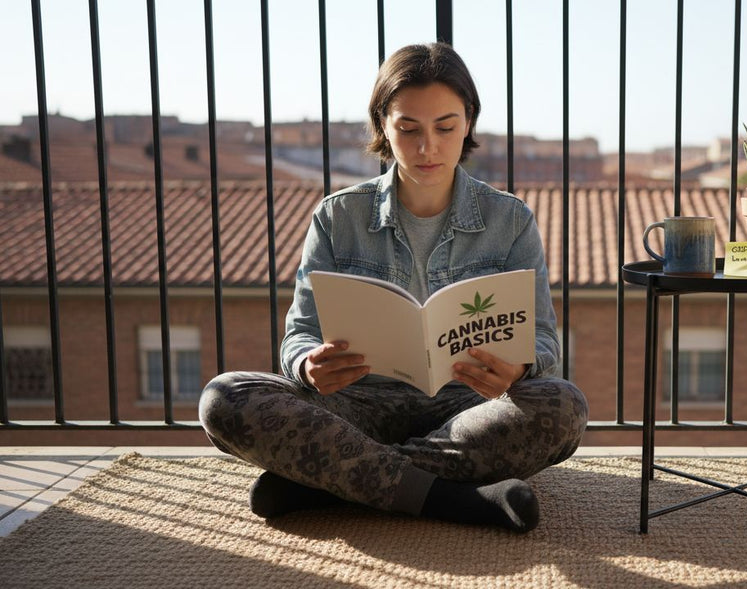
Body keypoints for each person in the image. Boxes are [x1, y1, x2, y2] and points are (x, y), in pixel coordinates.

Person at [199, 42, 588, 534]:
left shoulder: (509, 220)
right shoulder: (338, 216)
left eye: (445, 127)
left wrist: (520, 367)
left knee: (562, 406)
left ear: (468, 121)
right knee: (224, 398)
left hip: (465, 407)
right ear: (382, 123)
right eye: (408, 128)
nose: (427, 147)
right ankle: (453, 500)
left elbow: (545, 341)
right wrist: (308, 365)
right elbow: (299, 335)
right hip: (355, 405)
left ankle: (326, 483)